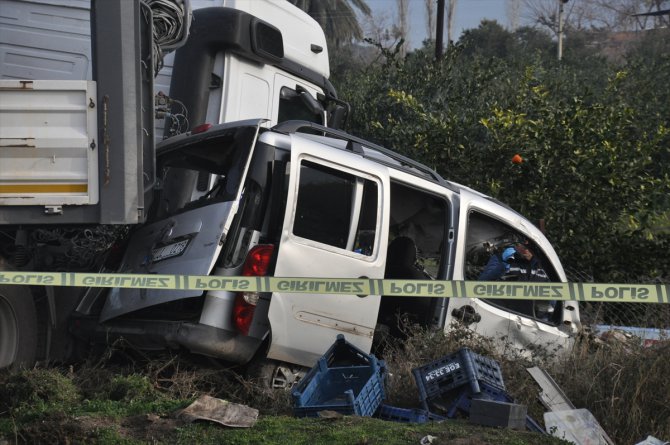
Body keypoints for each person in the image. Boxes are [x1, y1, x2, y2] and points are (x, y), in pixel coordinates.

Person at [478, 241, 554, 320]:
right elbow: (481, 285)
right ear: (517, 245)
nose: (526, 249)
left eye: (530, 246)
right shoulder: (502, 258)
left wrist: (544, 319)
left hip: (530, 323)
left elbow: (551, 299)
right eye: (523, 245)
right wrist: (503, 264)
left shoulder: (543, 267)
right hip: (500, 316)